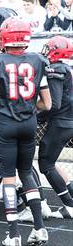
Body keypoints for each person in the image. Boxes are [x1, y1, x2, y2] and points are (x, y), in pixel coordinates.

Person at [0, 17, 51, 246]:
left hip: (5, 125)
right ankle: (40, 228)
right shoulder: (38, 60)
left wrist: (2, 110)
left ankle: (13, 234)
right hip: (29, 124)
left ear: (5, 38)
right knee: (26, 172)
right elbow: (47, 104)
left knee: (9, 178)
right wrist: (28, 109)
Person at [39, 36, 73, 218]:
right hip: (67, 121)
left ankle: (69, 205)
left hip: (61, 122)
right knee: (51, 162)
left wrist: (37, 117)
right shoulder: (66, 67)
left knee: (45, 164)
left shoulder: (57, 68)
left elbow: (54, 103)